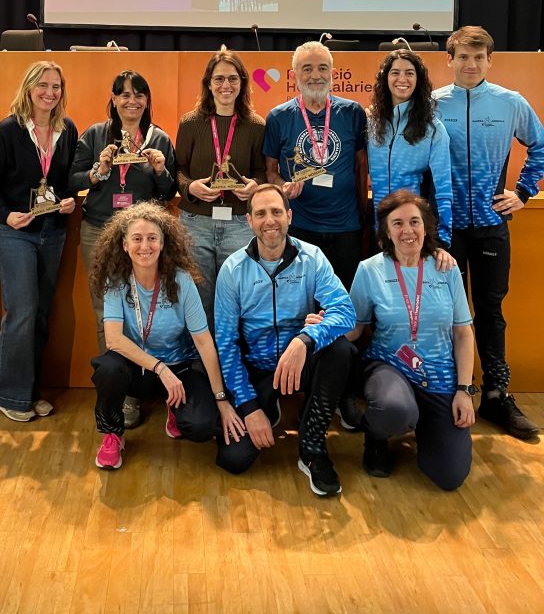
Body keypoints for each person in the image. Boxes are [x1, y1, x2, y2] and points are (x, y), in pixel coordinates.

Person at [434, 25, 544, 439]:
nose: (471, 64)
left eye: (479, 57)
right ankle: (448, 393)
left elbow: (540, 146)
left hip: (490, 226)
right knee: (445, 313)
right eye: (463, 56)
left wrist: (523, 191)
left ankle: (496, 395)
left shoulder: (510, 102)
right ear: (450, 60)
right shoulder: (433, 103)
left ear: (490, 61)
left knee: (490, 312)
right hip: (445, 230)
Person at [214, 185, 356, 496]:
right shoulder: (232, 270)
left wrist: (305, 339)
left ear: (289, 216)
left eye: (277, 212)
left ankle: (312, 446)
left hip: (299, 362)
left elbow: (346, 312)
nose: (270, 220)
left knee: (340, 349)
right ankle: (269, 407)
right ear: (249, 221)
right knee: (234, 459)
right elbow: (225, 344)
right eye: (261, 213)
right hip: (258, 371)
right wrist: (250, 407)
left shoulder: (312, 258)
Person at [89, 202, 245, 471]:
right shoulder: (116, 280)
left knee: (201, 426)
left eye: (152, 238)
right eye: (137, 239)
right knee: (108, 368)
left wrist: (221, 398)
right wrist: (160, 368)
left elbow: (204, 341)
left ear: (163, 244)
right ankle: (113, 434)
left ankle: (175, 409)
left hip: (179, 369)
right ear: (124, 245)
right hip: (140, 370)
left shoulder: (181, 280)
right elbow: (113, 340)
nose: (145, 246)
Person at [69, 70, 175, 429]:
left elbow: (168, 192)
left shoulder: (159, 138)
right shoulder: (95, 135)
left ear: (147, 100)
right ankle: (118, 393)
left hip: (142, 238)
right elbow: (71, 180)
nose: (132, 101)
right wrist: (98, 170)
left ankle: (143, 386)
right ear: (113, 99)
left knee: (142, 311)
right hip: (99, 231)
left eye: (139, 94)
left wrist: (159, 171)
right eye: (124, 94)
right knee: (106, 312)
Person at [348, 190, 475, 489]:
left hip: (439, 375)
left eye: (415, 222)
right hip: (389, 364)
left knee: (449, 476)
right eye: (398, 223)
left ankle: (424, 426)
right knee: (394, 409)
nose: (408, 230)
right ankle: (376, 435)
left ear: (426, 227)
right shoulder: (370, 270)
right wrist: (324, 325)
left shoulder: (446, 268)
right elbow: (354, 329)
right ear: (386, 231)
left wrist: (464, 390)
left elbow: (463, 332)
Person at [0, 61, 78, 421]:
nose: (49, 93)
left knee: (40, 312)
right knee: (22, 309)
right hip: (14, 231)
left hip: (52, 230)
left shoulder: (67, 129)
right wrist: (6, 214)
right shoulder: (8, 130)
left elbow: (68, 179)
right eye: (43, 85)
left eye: (56, 86)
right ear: (29, 88)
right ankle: (9, 395)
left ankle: (29, 390)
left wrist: (70, 199)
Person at [264, 41, 367, 290]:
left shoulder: (353, 112)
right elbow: (270, 171)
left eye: (322, 68)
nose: (315, 75)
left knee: (342, 297)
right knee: (301, 298)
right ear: (294, 76)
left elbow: (361, 167)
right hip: (299, 226)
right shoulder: (278, 117)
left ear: (333, 73)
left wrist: (362, 212)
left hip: (346, 227)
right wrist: (283, 186)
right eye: (307, 69)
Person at [175, 48, 265, 328]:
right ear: (208, 83)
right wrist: (191, 187)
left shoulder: (256, 125)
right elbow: (178, 170)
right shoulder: (190, 123)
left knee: (236, 299)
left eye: (232, 78)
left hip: (239, 224)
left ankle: (230, 353)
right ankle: (201, 356)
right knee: (198, 300)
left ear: (242, 83)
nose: (226, 85)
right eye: (219, 79)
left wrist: (255, 186)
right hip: (196, 223)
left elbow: (261, 171)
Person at [367, 49, 453, 250]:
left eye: (409, 73)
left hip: (412, 231)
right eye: (395, 72)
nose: (402, 79)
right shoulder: (371, 123)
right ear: (385, 78)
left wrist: (442, 240)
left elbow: (443, 189)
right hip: (379, 230)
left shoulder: (433, 129)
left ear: (418, 80)